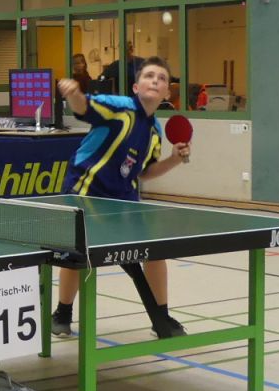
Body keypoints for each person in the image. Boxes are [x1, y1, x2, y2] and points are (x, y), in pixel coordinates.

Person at [51, 57, 192, 340]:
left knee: (155, 251)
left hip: (123, 201)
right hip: (85, 192)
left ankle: (161, 316)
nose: (155, 80)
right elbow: (84, 107)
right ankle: (62, 313)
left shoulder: (155, 131)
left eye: (161, 78)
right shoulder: (119, 107)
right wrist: (74, 93)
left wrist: (174, 160)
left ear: (167, 92)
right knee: (76, 255)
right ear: (136, 87)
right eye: (149, 76)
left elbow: (145, 172)